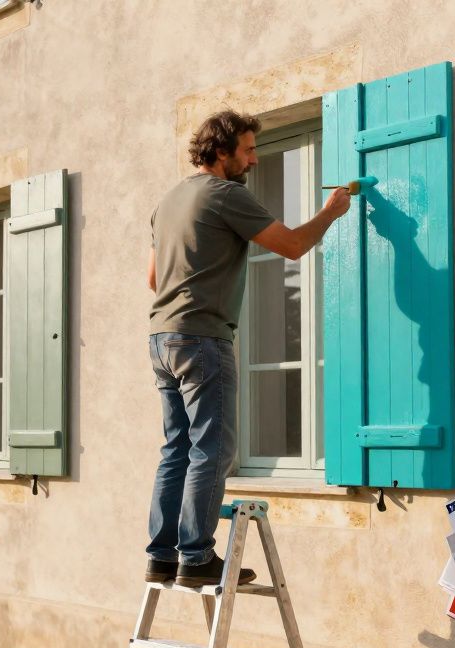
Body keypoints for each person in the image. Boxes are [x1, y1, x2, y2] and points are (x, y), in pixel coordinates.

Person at [145, 110, 351, 587]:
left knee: (177, 447)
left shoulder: (168, 200)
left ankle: (161, 557)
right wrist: (332, 211)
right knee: (213, 448)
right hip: (202, 338)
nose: (255, 159)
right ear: (222, 152)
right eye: (249, 149)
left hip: (162, 337)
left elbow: (153, 278)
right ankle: (196, 558)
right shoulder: (225, 195)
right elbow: (294, 246)